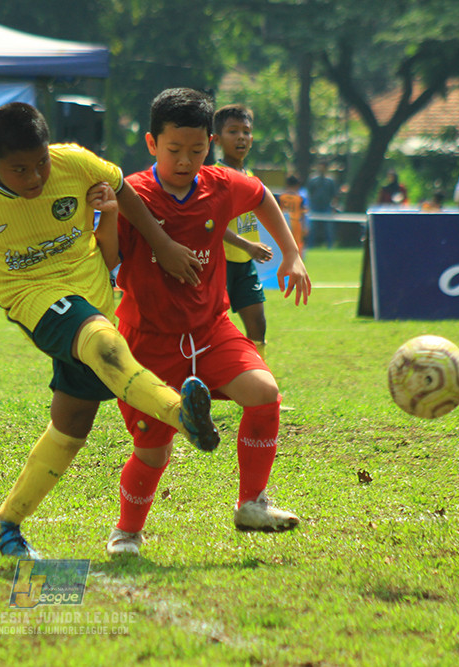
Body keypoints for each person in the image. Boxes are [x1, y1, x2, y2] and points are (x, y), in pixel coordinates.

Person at [0, 101, 217, 559]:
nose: (35, 178)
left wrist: (161, 244)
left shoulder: (75, 162)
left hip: (91, 289)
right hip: (30, 295)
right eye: (20, 169)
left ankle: (3, 522)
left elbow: (124, 190)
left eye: (41, 163)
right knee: (102, 340)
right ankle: (180, 414)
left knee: (71, 425)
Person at [105, 88, 312, 557]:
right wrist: (110, 215)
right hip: (148, 342)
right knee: (152, 450)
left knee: (263, 393)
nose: (185, 160)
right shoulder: (133, 193)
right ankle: (127, 531)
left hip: (210, 329)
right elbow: (110, 259)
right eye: (174, 150)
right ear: (151, 143)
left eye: (197, 151)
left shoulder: (220, 184)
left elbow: (262, 197)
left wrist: (292, 255)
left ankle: (252, 503)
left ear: (210, 144)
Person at [214, 104, 274, 357]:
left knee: (258, 324)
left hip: (244, 264)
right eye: (233, 131)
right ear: (216, 139)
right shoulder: (215, 175)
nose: (241, 137)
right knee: (214, 326)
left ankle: (259, 372)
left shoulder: (249, 176)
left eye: (246, 131)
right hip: (220, 263)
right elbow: (212, 224)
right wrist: (248, 245)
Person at [305, 161, 338, 248]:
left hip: (326, 206)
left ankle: (330, 246)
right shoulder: (312, 179)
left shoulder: (330, 180)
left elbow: (334, 195)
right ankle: (310, 245)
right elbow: (309, 193)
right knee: (312, 228)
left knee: (328, 228)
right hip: (314, 206)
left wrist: (334, 206)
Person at [277, 174, 307, 257]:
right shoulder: (300, 198)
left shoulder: (281, 197)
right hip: (296, 223)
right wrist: (305, 227)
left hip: (284, 223)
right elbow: (303, 213)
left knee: (283, 244)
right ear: (297, 185)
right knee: (296, 245)